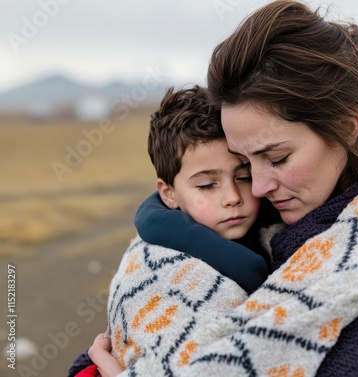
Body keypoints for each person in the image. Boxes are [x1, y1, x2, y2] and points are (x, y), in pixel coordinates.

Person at [88, 1, 358, 376]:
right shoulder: (259, 220)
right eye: (247, 164)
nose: (259, 187)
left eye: (277, 158)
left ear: (346, 128)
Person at [68, 86, 281, 377]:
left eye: (243, 176)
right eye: (207, 185)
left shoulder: (280, 228)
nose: (233, 196)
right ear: (169, 194)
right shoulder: (152, 266)